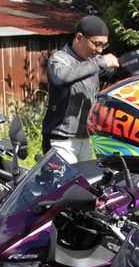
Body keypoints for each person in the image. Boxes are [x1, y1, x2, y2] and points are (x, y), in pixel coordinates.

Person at [41, 15, 125, 164]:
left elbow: (116, 75)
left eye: (103, 45)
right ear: (79, 37)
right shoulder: (59, 59)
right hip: (60, 139)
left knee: (87, 180)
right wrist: (101, 62)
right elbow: (62, 77)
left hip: (84, 139)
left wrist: (134, 63)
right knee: (66, 180)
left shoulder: (92, 63)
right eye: (97, 44)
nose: (100, 50)